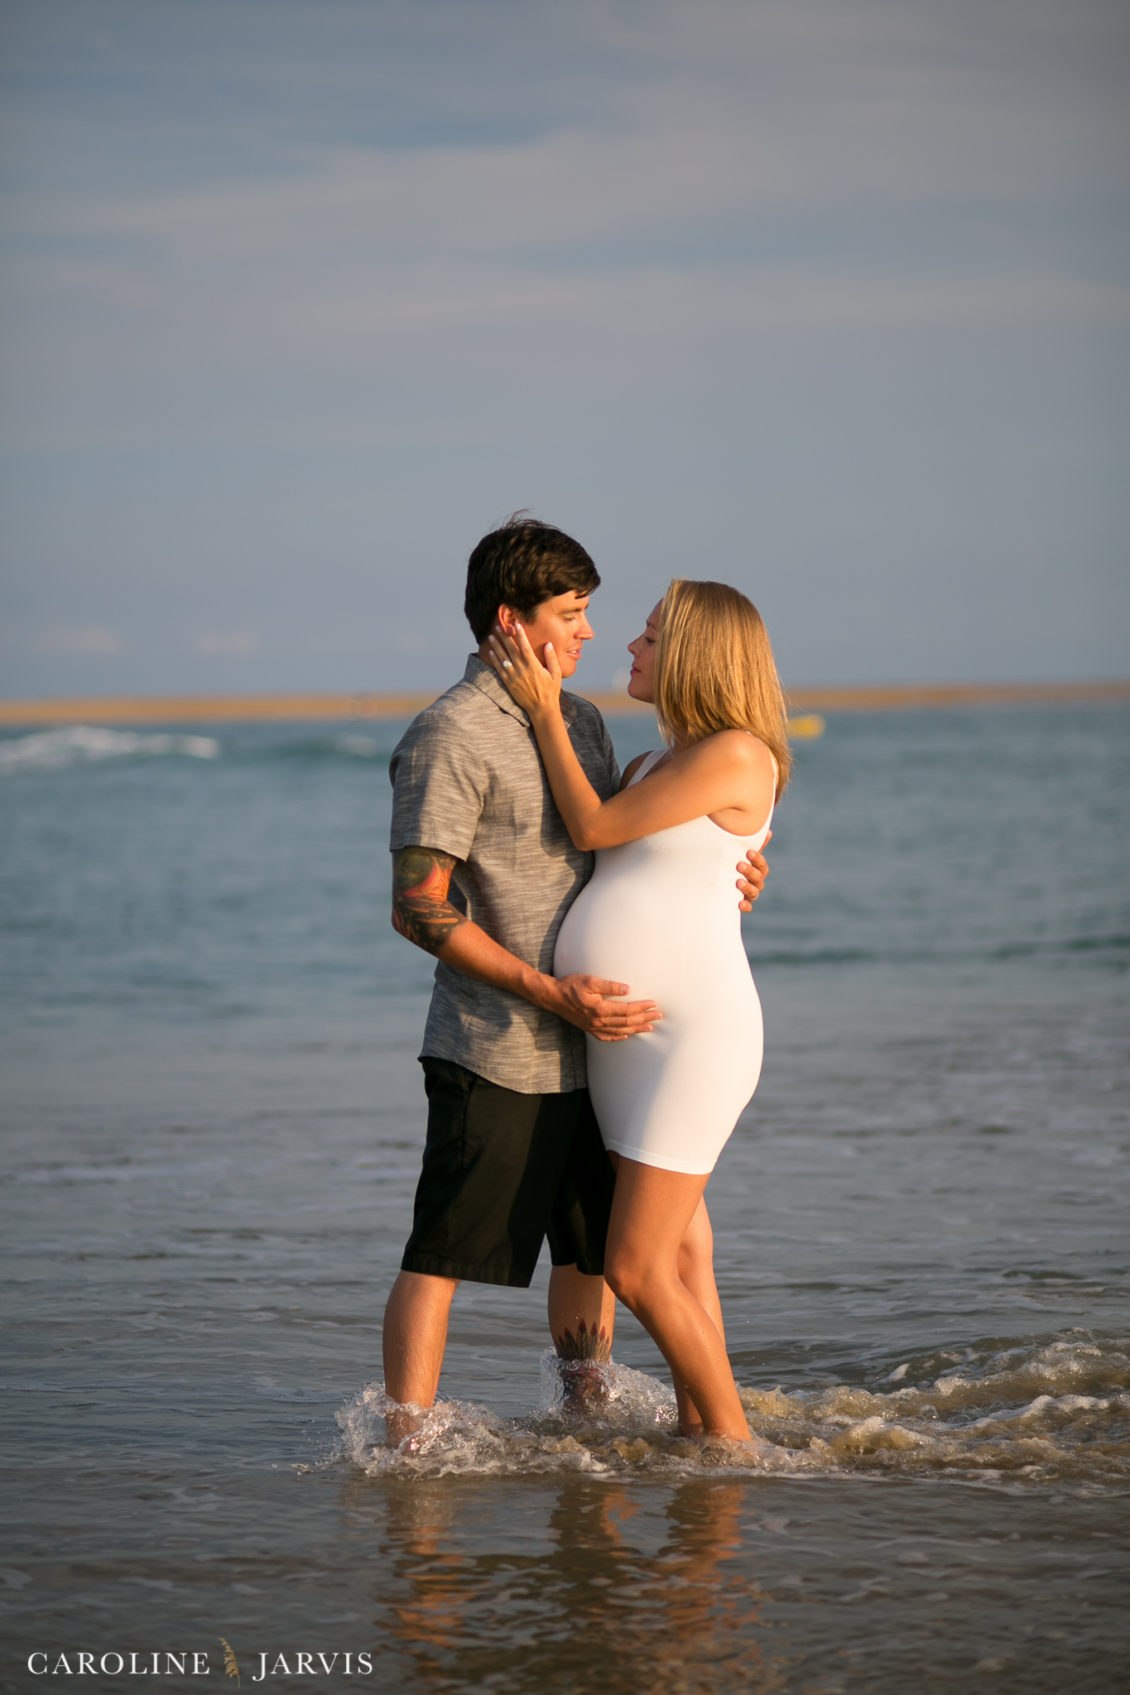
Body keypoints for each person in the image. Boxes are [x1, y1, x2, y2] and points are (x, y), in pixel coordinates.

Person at [381, 521, 770, 1437]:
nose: (593, 633)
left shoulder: (590, 725)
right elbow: (417, 907)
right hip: (499, 1040)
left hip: (607, 1046)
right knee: (443, 1250)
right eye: (574, 612)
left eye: (600, 614)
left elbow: (644, 841)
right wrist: (553, 992)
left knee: (593, 1255)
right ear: (511, 624)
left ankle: (586, 1419)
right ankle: (405, 1452)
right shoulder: (448, 734)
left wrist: (735, 868)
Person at [487, 579, 790, 1443]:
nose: (630, 647)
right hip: (629, 1039)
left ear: (695, 655)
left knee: (633, 1264)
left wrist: (545, 706)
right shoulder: (657, 762)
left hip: (691, 1038)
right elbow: (673, 871)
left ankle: (734, 1444)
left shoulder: (735, 752)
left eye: (650, 638)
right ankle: (701, 1427)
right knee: (684, 1249)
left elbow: (591, 827)